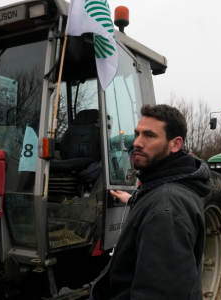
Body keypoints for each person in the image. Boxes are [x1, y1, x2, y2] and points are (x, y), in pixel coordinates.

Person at [90, 104, 213, 300]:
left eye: (149, 136)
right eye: (137, 134)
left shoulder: (166, 207)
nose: (137, 143)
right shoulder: (162, 188)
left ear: (175, 144)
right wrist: (135, 201)